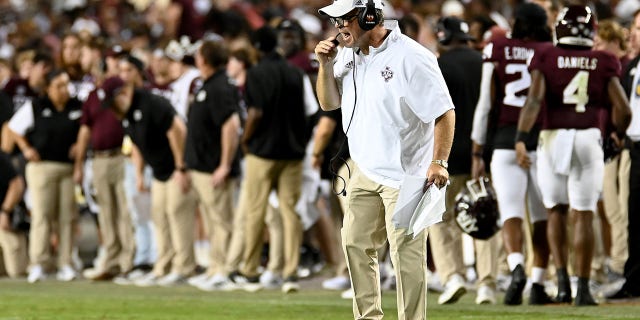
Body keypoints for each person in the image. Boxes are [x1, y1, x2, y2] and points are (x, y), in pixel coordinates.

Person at [315, 0, 455, 318]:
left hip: (407, 172)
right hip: (363, 167)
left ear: (368, 16)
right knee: (353, 243)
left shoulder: (412, 56)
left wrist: (440, 161)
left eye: (344, 19)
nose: (338, 27)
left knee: (406, 255)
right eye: (335, 21)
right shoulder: (348, 55)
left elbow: (444, 111)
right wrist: (324, 65)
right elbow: (328, 104)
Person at [515, 5, 631, 306]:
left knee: (556, 210)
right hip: (587, 137)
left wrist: (520, 137)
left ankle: (563, 283)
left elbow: (535, 99)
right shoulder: (603, 59)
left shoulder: (547, 56)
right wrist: (617, 134)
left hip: (552, 137)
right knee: (584, 213)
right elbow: (624, 109)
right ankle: (582, 290)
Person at [470, 2, 555, 305]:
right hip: (541, 140)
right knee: (542, 216)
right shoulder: (550, 49)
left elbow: (485, 103)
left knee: (511, 213)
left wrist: (478, 149)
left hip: (505, 140)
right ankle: (538, 282)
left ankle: (517, 265)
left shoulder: (497, 47)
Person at [237, 25, 317, 293]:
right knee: (290, 212)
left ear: (257, 46)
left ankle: (249, 270)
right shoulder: (296, 73)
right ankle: (290, 271)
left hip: (262, 152)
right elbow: (310, 112)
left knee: (255, 211)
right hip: (292, 154)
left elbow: (256, 112)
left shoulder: (256, 73)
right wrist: (300, 141)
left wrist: (246, 139)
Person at [99, 76, 198, 287]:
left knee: (178, 215)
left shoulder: (151, 102)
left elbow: (177, 129)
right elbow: (135, 145)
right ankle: (163, 266)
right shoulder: (125, 115)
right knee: (160, 217)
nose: (112, 109)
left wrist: (181, 166)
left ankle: (184, 267)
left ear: (123, 93)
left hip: (175, 169)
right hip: (158, 171)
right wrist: (139, 174)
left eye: (112, 102)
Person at [433, 15, 500, 306]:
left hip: (446, 152)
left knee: (441, 219)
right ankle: (487, 283)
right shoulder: (485, 62)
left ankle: (453, 276)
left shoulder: (437, 65)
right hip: (483, 152)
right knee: (484, 216)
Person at [8, 70, 83, 283]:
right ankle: (38, 263)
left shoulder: (76, 107)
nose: (64, 90)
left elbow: (86, 131)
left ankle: (65, 263)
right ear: (48, 88)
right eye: (59, 85)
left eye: (66, 85)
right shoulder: (37, 106)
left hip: (68, 168)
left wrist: (80, 145)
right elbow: (13, 128)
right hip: (41, 167)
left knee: (67, 217)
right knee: (42, 215)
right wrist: (26, 148)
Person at [183, 40, 242, 290]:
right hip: (202, 166)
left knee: (222, 221)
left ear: (204, 59)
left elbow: (231, 125)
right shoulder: (209, 84)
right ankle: (214, 267)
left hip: (214, 167)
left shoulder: (219, 86)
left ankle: (224, 270)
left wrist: (224, 165)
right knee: (212, 221)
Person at [73, 67, 135, 281]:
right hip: (98, 159)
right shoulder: (91, 98)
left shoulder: (117, 89)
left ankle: (129, 261)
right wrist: (79, 165)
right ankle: (112, 259)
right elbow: (84, 131)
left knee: (124, 210)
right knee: (106, 212)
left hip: (121, 156)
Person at [606, 8, 640, 301]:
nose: (633, 34)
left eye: (639, 29)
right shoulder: (633, 66)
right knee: (634, 216)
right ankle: (634, 279)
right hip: (634, 146)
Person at [0, 151, 28, 278]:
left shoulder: (1, 157)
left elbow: (17, 184)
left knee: (16, 271)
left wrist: (5, 212)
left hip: (4, 218)